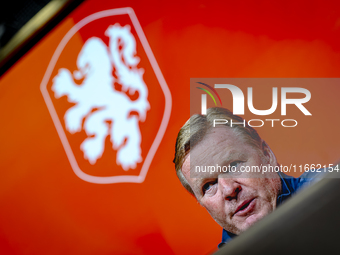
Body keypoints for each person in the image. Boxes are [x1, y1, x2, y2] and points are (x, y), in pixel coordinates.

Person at [173, 107, 323, 248]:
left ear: (266, 155)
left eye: (234, 165)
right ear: (201, 202)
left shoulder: (329, 193)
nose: (229, 189)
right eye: (208, 185)